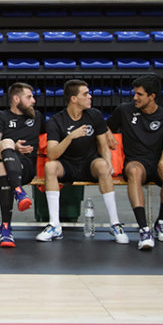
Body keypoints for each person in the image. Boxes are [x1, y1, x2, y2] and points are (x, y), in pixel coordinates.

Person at [38, 80, 127, 244]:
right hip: (67, 166)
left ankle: (115, 223)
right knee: (50, 166)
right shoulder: (56, 121)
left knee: (102, 165)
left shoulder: (94, 115)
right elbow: (52, 154)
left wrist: (109, 164)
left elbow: (103, 146)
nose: (90, 96)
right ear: (74, 99)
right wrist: (71, 136)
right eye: (85, 94)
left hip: (89, 164)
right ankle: (54, 225)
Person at [107, 75, 163, 250]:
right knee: (133, 171)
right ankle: (144, 229)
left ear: (152, 96)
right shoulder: (125, 110)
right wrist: (109, 133)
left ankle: (161, 222)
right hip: (136, 162)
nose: (135, 98)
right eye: (134, 93)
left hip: (159, 161)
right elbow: (106, 126)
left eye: (139, 94)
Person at [0, 82, 45, 247]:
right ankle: (19, 192)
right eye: (29, 97)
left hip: (24, 166)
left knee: (3, 168)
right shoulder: (0, 116)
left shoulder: (37, 117)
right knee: (6, 143)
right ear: (16, 99)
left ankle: (6, 228)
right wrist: (13, 146)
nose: (33, 101)